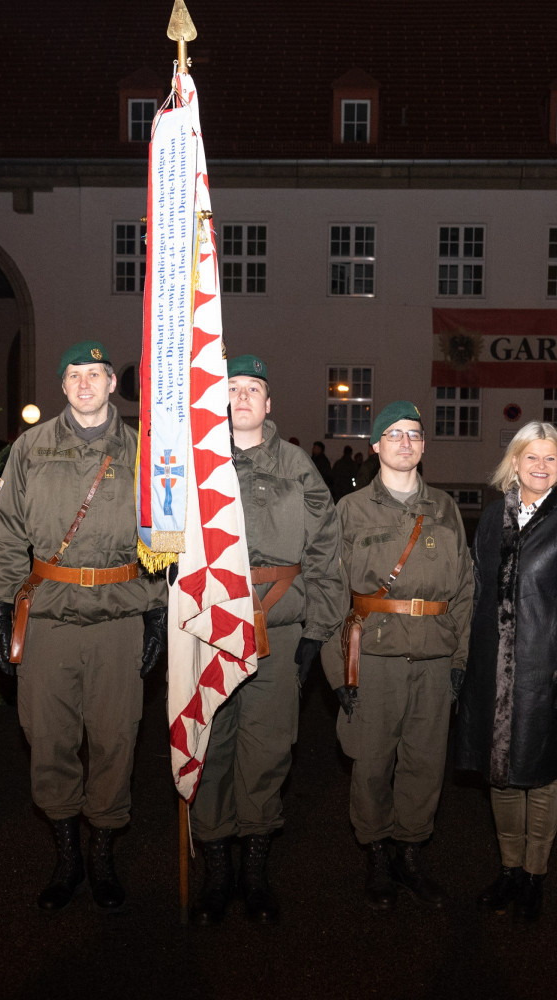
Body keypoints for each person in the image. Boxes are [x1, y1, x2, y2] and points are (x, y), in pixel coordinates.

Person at [0, 340, 167, 913]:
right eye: (74, 376)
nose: (85, 384)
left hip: (118, 618)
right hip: (49, 621)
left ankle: (103, 854)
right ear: (62, 387)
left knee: (116, 740)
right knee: (50, 741)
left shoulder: (146, 451)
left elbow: (165, 539)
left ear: (114, 383)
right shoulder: (31, 449)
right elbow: (9, 532)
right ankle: (66, 856)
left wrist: (158, 610)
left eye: (96, 374)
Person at [189, 356, 344, 924]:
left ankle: (254, 871)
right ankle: (216, 871)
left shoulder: (299, 467)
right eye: (233, 387)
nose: (244, 396)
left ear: (269, 402)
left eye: (254, 387)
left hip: (277, 632)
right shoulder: (194, 460)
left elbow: (326, 550)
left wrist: (318, 631)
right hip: (208, 630)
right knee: (210, 749)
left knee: (268, 750)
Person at [321, 401, 474, 911]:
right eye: (394, 434)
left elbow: (466, 592)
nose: (405, 442)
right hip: (375, 661)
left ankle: (410, 855)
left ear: (424, 446)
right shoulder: (349, 511)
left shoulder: (447, 510)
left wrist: (458, 663)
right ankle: (377, 858)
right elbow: (329, 596)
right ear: (376, 446)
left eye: (414, 434)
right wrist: (336, 671)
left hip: (433, 659)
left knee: (424, 765)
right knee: (370, 763)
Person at [454, 421, 557, 922]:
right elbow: (476, 592)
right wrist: (465, 664)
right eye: (531, 457)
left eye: (551, 459)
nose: (541, 467)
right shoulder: (493, 517)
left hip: (545, 669)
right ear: (514, 462)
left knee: (540, 775)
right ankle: (510, 869)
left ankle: (536, 873)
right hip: (492, 668)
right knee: (500, 775)